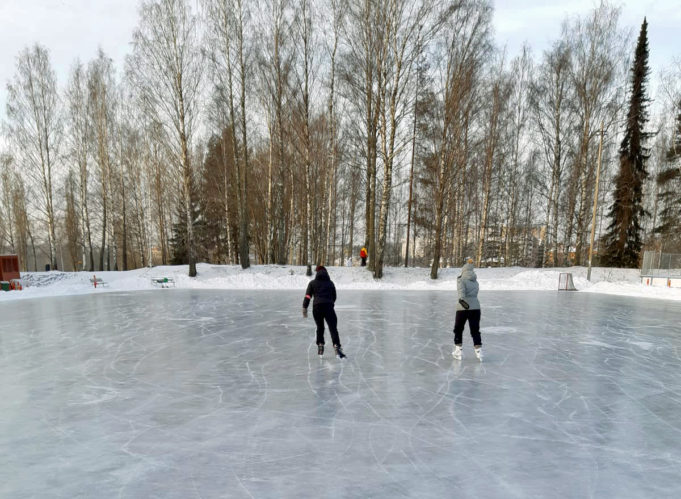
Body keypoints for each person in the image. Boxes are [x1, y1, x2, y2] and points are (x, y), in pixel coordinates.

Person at [302, 265, 346, 359]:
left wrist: (304, 307)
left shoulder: (312, 283)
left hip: (317, 307)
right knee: (333, 327)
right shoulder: (330, 283)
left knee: (320, 327)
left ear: (317, 273)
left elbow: (308, 296)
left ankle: (320, 346)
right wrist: (330, 303)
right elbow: (334, 296)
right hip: (329, 307)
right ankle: (336, 346)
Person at [452, 257, 483, 361]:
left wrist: (462, 302)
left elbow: (461, 293)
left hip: (463, 308)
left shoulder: (461, 279)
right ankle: (479, 351)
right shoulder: (475, 281)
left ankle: (458, 351)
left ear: (463, 270)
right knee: (475, 330)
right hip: (476, 308)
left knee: (458, 329)